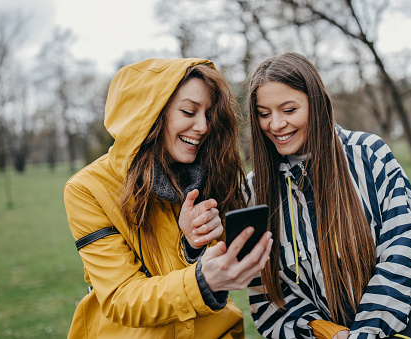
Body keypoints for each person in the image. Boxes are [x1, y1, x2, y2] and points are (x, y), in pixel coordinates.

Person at [63, 57, 272, 338]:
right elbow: (121, 297)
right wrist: (201, 280)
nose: (203, 126)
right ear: (148, 115)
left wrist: (193, 246)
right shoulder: (87, 189)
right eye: (189, 112)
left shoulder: (205, 171)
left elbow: (216, 271)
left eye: (208, 114)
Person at [244, 52, 411, 339]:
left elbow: (402, 250)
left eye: (289, 110)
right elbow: (267, 291)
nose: (276, 124)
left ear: (316, 104)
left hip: (397, 325)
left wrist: (364, 334)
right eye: (264, 113)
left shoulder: (370, 155)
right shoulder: (256, 190)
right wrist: (327, 332)